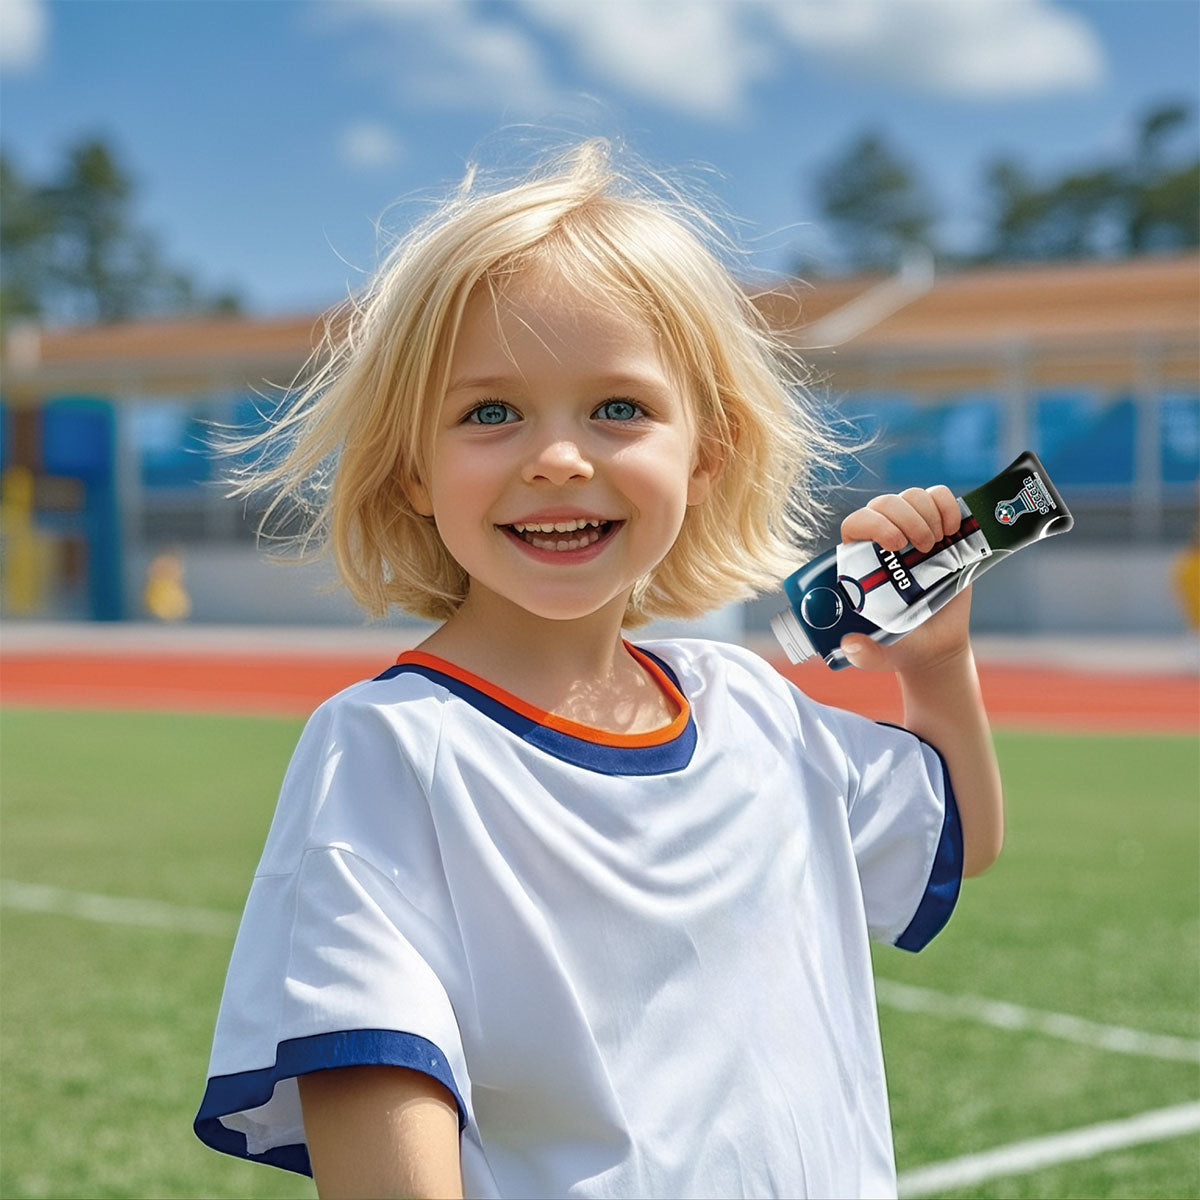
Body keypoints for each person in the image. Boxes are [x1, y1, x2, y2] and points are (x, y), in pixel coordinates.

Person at [194, 139, 1003, 1200]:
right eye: (490, 413)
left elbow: (956, 838)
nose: (559, 459)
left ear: (706, 451)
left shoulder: (753, 706)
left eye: (619, 408)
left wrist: (937, 667)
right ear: (411, 470)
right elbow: (368, 1074)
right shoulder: (390, 748)